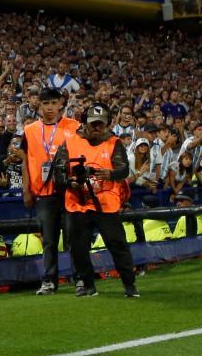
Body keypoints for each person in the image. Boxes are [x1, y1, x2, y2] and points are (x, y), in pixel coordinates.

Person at [51, 103, 138, 298]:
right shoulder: (71, 141)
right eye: (93, 124)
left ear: (108, 125)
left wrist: (110, 174)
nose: (97, 128)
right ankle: (88, 284)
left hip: (105, 202)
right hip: (77, 201)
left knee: (117, 244)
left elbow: (123, 170)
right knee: (78, 246)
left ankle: (129, 285)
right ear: (85, 124)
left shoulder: (114, 142)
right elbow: (58, 171)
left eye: (101, 124)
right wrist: (70, 182)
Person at [22, 87, 80, 295]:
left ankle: (80, 278)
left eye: (53, 103)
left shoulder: (74, 127)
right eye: (45, 103)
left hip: (70, 191)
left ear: (61, 104)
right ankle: (49, 280)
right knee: (49, 239)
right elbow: (24, 160)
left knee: (74, 236)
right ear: (39, 105)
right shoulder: (30, 130)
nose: (49, 108)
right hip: (44, 192)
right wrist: (26, 190)